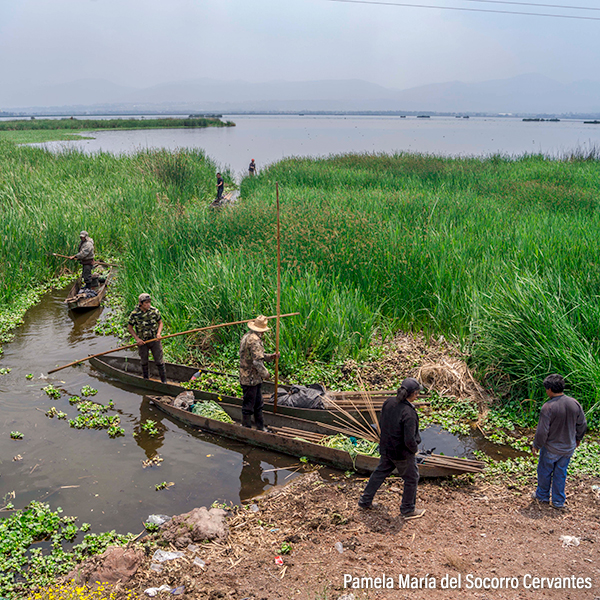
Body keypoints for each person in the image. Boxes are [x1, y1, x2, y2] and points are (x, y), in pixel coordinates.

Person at [358, 377, 425, 520]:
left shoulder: (389, 402)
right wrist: (414, 450)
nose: (418, 396)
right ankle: (407, 509)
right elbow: (409, 439)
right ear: (413, 394)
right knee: (412, 478)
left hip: (386, 447)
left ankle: (365, 501)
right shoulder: (409, 413)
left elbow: (381, 424)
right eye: (417, 393)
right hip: (401, 453)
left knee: (379, 473)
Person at [532, 374, 587, 509]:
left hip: (551, 448)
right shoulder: (574, 403)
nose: (546, 392)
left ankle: (542, 496)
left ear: (550, 389)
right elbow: (582, 424)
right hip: (568, 447)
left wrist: (536, 445)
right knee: (560, 473)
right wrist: (578, 439)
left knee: (544, 471)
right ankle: (558, 501)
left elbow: (542, 431)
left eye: (546, 389)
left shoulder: (548, 407)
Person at [239, 315, 277, 430]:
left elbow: (256, 356)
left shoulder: (247, 336)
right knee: (250, 405)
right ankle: (247, 428)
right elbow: (257, 362)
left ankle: (259, 427)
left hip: (248, 377)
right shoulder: (255, 340)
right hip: (251, 378)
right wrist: (265, 374)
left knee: (257, 403)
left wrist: (270, 357)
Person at [127, 293, 167, 384]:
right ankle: (146, 380)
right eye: (146, 303)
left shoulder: (154, 311)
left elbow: (160, 323)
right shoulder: (135, 314)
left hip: (154, 340)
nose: (148, 305)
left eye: (149, 302)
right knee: (144, 361)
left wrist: (159, 334)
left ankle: (164, 381)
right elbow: (130, 327)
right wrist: (137, 339)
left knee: (159, 361)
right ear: (141, 303)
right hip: (143, 342)